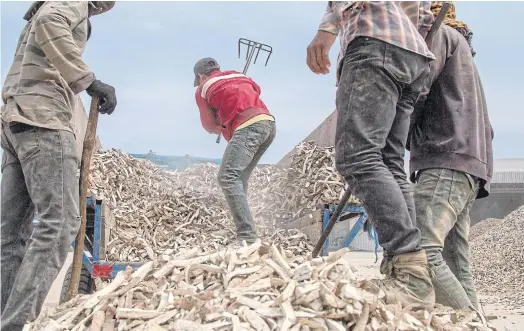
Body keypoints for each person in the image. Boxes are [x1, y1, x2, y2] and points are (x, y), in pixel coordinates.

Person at [306, 2, 437, 310]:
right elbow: (424, 16)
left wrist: (327, 29)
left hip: (375, 43)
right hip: (412, 56)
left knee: (358, 157)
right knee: (390, 163)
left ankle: (411, 272)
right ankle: (407, 268)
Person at [1, 2, 117, 330]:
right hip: (44, 122)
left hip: (17, 121)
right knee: (60, 224)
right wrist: (89, 81)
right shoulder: (71, 1)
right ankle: (16, 325)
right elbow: (52, 21)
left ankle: (5, 320)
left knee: (11, 236)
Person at [408, 1, 493, 310]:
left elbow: (417, 92)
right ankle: (476, 321)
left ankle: (468, 321)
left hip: (445, 157)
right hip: (468, 165)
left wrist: (394, 132)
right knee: (454, 260)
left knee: (419, 250)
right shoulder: (465, 55)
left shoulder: (439, 35)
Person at [193, 58, 276, 245]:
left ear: (200, 76)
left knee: (227, 177)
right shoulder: (239, 74)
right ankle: (247, 225)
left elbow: (210, 126)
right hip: (268, 124)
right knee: (240, 179)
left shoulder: (202, 89)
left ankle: (247, 236)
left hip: (248, 127)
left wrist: (220, 121)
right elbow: (256, 91)